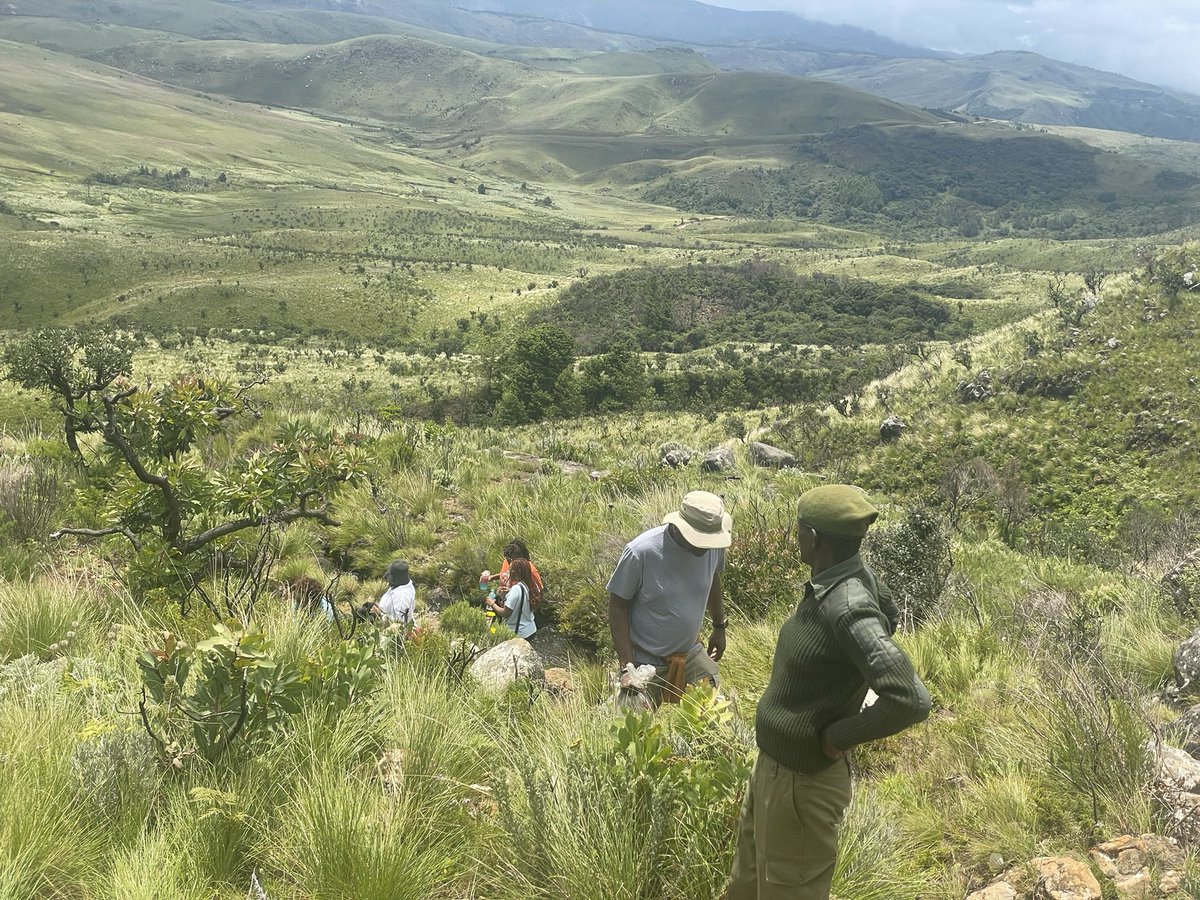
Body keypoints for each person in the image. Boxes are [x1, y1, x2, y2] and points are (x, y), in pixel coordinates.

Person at [726, 484, 931, 900]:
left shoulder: (847, 604)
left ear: (813, 539)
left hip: (802, 787)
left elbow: (910, 699)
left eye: (798, 529)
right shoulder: (844, 577)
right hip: (775, 773)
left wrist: (838, 736)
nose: (795, 536)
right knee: (746, 887)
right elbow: (889, 616)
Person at [607, 490, 732, 706]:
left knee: (718, 719)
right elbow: (618, 607)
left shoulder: (713, 547)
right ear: (680, 528)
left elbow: (713, 579)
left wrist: (719, 627)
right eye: (700, 539)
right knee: (630, 729)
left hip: (690, 653)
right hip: (643, 661)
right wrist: (627, 667)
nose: (706, 546)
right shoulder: (641, 552)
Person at [486, 557, 538, 639]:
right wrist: (504, 595)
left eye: (509, 570)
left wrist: (491, 603)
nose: (507, 572)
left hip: (519, 633)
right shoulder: (526, 585)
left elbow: (505, 613)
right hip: (530, 629)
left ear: (514, 572)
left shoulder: (515, 589)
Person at [488, 538, 543, 604]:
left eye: (509, 560)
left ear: (519, 558)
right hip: (503, 602)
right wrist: (491, 577)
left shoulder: (530, 569)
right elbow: (505, 574)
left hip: (518, 607)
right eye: (506, 558)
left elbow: (538, 592)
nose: (508, 562)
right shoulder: (507, 562)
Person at [373, 559, 416, 625]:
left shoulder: (402, 597)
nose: (387, 578)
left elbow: (399, 622)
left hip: (391, 631)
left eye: (390, 576)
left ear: (396, 578)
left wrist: (379, 614)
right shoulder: (400, 584)